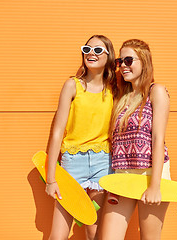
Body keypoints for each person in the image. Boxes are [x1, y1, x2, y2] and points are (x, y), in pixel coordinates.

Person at [45, 35, 116, 240]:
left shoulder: (115, 89)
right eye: (87, 49)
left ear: (109, 56)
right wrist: (51, 179)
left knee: (94, 230)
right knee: (58, 235)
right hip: (72, 164)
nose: (91, 53)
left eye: (97, 50)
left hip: (103, 164)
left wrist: (158, 90)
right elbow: (58, 131)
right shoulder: (72, 85)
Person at [100, 39, 171, 240]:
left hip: (150, 173)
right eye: (120, 61)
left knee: (149, 238)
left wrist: (155, 185)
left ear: (144, 61)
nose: (123, 65)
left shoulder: (156, 91)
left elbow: (158, 139)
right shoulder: (122, 96)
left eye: (129, 60)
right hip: (123, 174)